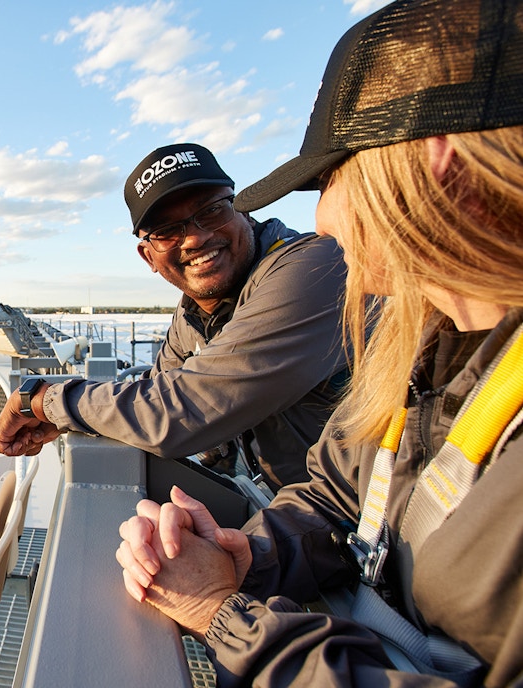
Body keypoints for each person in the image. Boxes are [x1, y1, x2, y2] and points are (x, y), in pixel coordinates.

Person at [115, 0, 523, 684]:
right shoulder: (429, 343)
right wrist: (244, 556)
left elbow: (182, 410)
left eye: (332, 178)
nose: (322, 218)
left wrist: (222, 612)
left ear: (437, 168)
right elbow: (340, 498)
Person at [0, 142, 349, 491]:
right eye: (166, 231)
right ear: (148, 257)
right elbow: (158, 388)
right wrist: (73, 420)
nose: (194, 239)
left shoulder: (313, 269)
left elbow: (183, 410)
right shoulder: (196, 308)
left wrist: (48, 400)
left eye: (211, 211)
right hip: (294, 509)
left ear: (244, 210)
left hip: (368, 527)